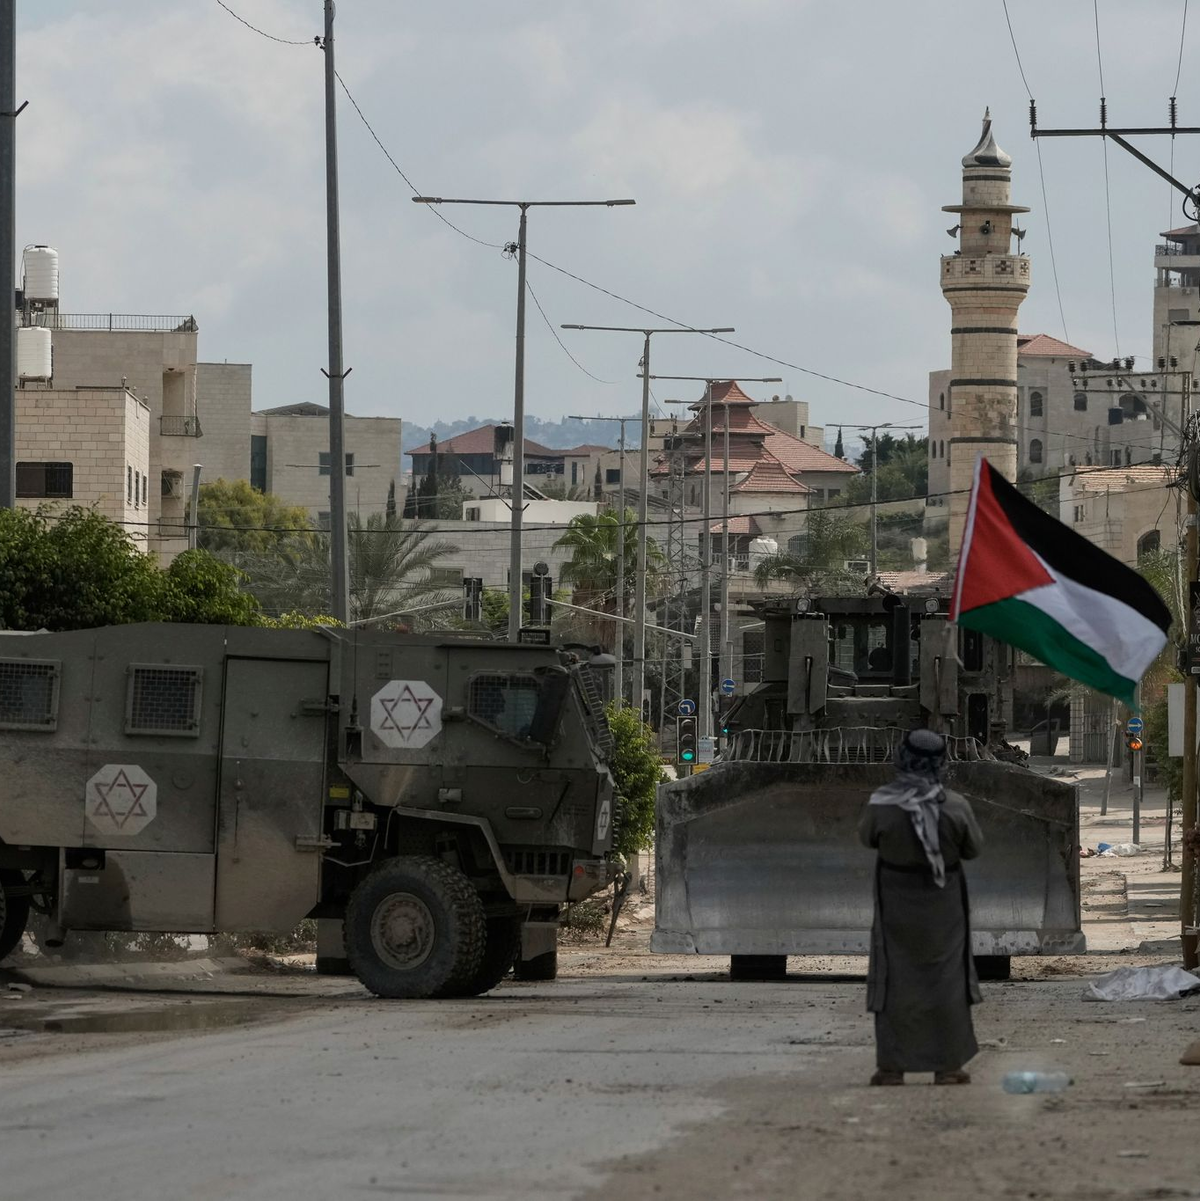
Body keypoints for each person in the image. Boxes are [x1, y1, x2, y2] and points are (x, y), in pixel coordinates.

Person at [858, 728, 984, 1086]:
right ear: (941, 763)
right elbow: (973, 849)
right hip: (943, 903)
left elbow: (866, 838)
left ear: (902, 757)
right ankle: (947, 1066)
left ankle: (891, 1067)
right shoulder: (955, 805)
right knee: (946, 977)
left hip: (895, 900)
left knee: (894, 976)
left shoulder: (881, 802)